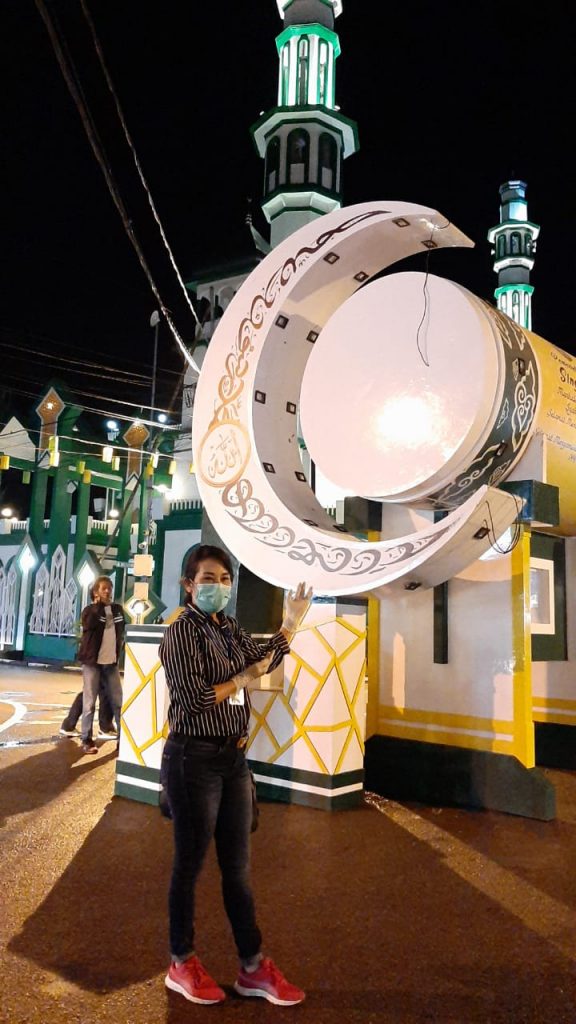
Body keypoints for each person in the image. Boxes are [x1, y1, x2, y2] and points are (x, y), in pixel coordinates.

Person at [159, 544, 312, 1007]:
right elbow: (197, 699)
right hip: (193, 760)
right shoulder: (181, 633)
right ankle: (181, 961)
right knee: (189, 864)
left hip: (232, 762)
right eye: (208, 579)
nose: (218, 587)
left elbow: (263, 660)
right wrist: (243, 679)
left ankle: (252, 966)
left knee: (238, 870)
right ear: (188, 585)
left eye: (225, 580)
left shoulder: (229, 629)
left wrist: (291, 624)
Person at [77, 576, 126, 755]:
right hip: (92, 663)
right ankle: (86, 739)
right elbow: (88, 625)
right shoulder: (90, 611)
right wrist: (99, 606)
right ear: (96, 591)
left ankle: (124, 740)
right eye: (104, 588)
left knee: (118, 702)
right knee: (89, 702)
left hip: (110, 663)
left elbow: (122, 630)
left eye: (109, 588)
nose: (108, 591)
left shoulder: (117, 610)